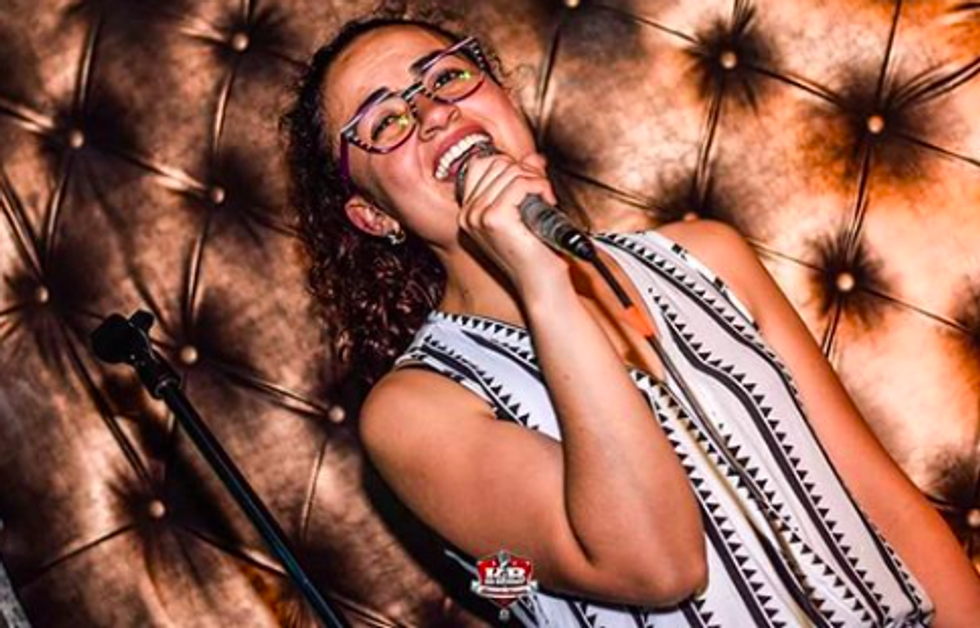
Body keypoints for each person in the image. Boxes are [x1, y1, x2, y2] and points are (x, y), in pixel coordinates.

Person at [282, 9, 980, 627]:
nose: (432, 110)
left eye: (447, 76)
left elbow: (880, 498)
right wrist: (542, 281)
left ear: (505, 102)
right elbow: (657, 565)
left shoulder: (707, 255)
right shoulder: (412, 412)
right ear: (373, 216)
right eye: (386, 122)